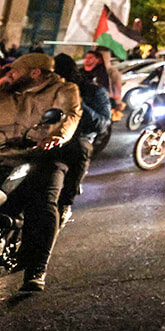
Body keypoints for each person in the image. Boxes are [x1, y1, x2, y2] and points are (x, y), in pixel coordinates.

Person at [0, 52, 82, 292]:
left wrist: (56, 137)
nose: (10, 75)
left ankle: (37, 269)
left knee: (44, 206)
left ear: (34, 73)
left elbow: (69, 118)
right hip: (4, 156)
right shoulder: (8, 90)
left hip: (42, 158)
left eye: (14, 72)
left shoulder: (65, 90)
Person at [51, 54, 112, 226]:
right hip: (47, 137)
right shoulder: (46, 90)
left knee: (79, 150)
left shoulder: (93, 90)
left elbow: (102, 123)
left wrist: (77, 105)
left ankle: (65, 204)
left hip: (79, 138)